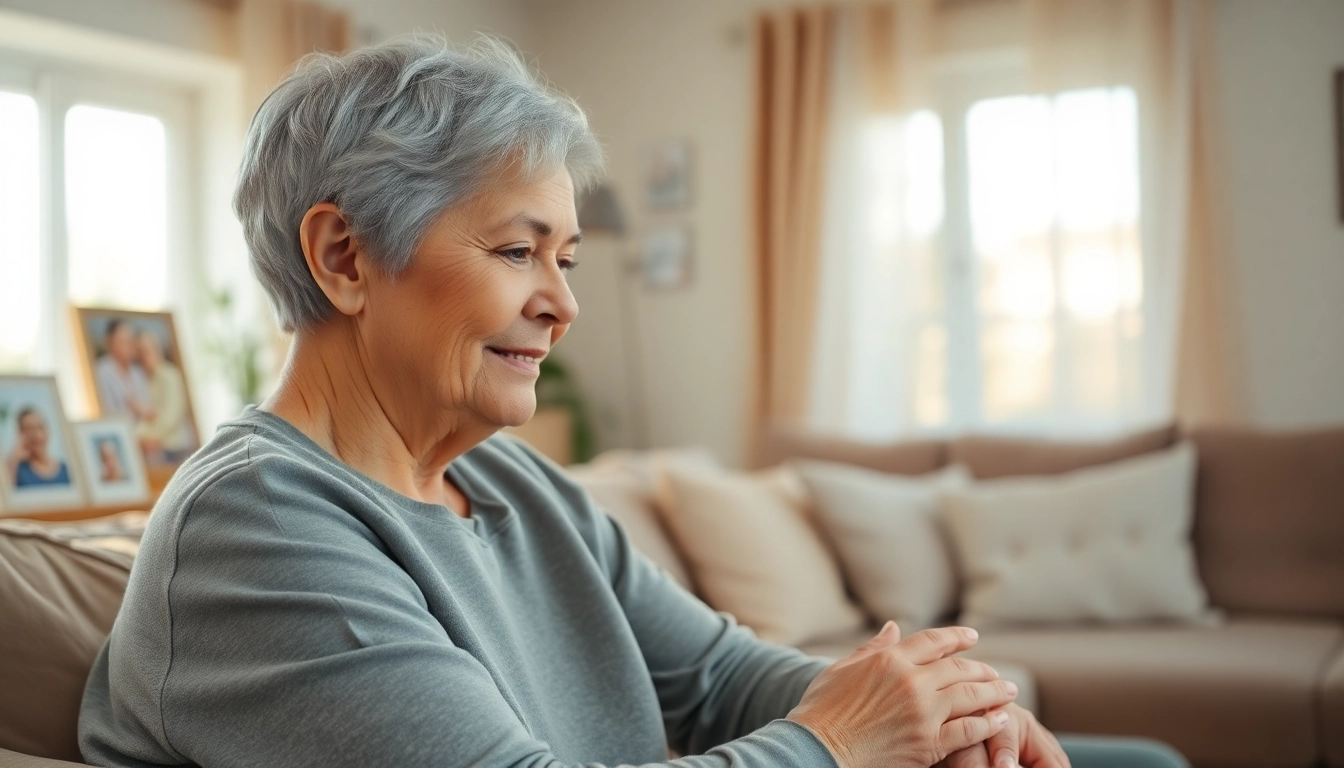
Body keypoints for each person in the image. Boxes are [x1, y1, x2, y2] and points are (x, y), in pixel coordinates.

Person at [78, 37, 1186, 768]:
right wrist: (838, 745)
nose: (562, 305)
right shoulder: (256, 528)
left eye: (566, 260)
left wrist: (946, 712)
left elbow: (714, 677)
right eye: (519, 250)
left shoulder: (509, 481)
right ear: (345, 257)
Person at [136, 329, 197, 463]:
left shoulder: (169, 375)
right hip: (156, 448)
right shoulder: (143, 379)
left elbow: (171, 416)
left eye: (146, 350)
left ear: (157, 350)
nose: (143, 356)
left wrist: (152, 438)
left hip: (175, 447)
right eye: (139, 352)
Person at [93, 319, 153, 425]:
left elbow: (149, 410)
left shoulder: (137, 372)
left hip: (143, 433)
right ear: (110, 342)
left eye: (131, 342)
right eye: (123, 342)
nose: (128, 347)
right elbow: (106, 412)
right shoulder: (102, 371)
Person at [7, 406, 71, 488]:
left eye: (40, 427)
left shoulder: (65, 469)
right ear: (20, 434)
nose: (36, 435)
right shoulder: (18, 470)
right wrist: (14, 458)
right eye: (29, 429)